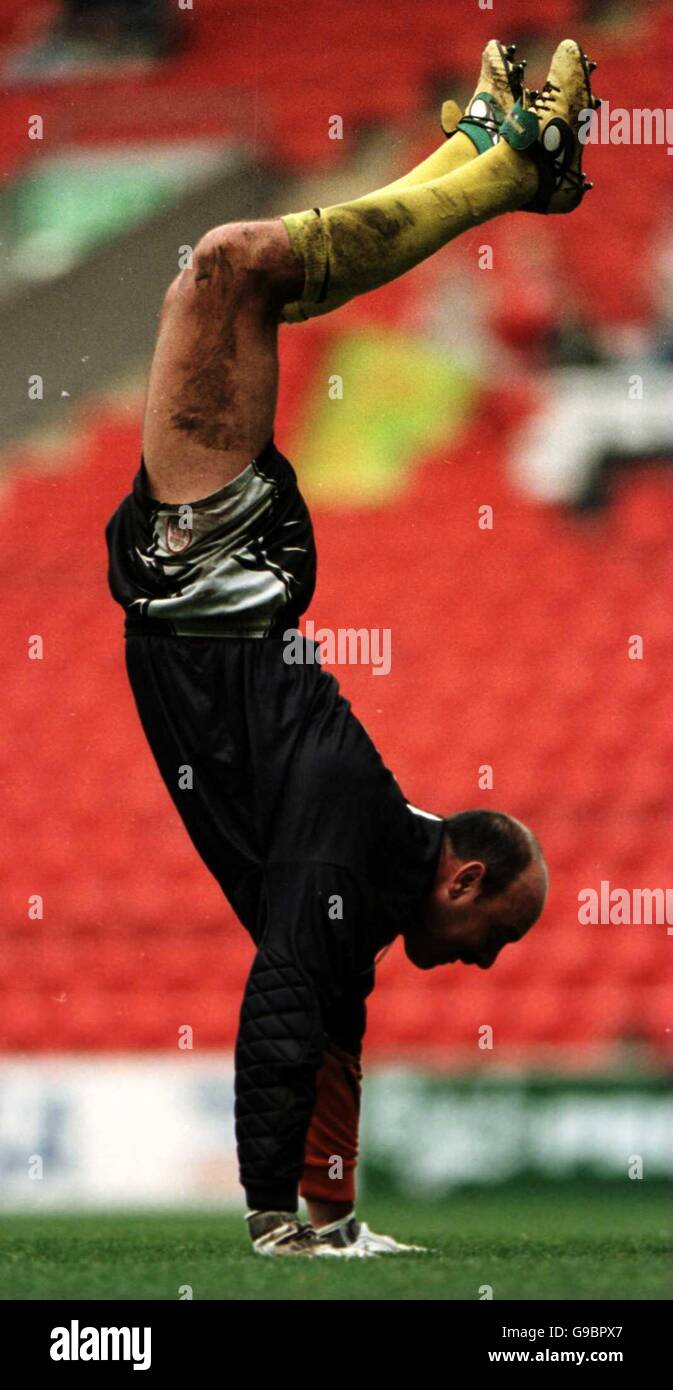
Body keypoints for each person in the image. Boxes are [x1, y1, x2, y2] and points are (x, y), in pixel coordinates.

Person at [106, 39, 596, 1255]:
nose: (488, 968)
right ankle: (499, 172)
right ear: (464, 880)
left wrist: (327, 1212)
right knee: (231, 265)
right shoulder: (355, 836)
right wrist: (278, 1223)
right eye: (503, 935)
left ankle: (488, 156)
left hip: (208, 593)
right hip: (214, 586)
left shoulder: (366, 882)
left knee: (235, 270)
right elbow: (282, 995)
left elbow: (320, 1023)